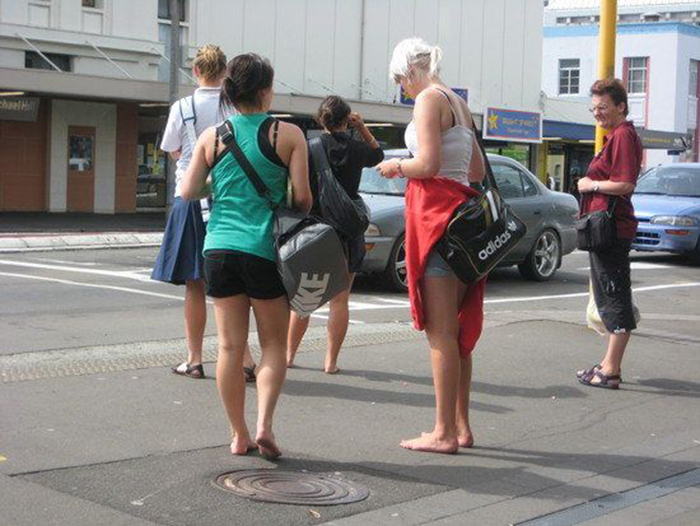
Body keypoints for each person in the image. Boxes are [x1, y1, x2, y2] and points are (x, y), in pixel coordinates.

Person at [181, 53, 312, 458]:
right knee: (273, 344)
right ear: (266, 90)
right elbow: (304, 200)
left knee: (228, 348)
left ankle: (238, 435)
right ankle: (264, 425)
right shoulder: (287, 135)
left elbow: (187, 191)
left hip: (219, 248)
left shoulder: (212, 137)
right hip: (263, 251)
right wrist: (279, 195)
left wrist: (219, 192)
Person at [376, 38, 486, 454]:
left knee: (440, 333)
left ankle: (442, 433)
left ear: (409, 72)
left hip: (437, 221)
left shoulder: (427, 101)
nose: (402, 90)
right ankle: (461, 426)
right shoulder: (458, 103)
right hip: (464, 225)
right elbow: (473, 169)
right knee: (457, 333)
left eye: (400, 81)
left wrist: (396, 166)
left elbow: (428, 166)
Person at [152, 45, 257, 381]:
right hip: (229, 197)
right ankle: (246, 360)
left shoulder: (182, 107)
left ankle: (194, 359)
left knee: (195, 284)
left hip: (189, 196)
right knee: (233, 284)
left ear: (196, 72)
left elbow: (173, 150)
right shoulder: (234, 108)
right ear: (225, 72)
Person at [286, 96, 384, 373]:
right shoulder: (356, 148)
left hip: (316, 231)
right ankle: (330, 361)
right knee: (340, 299)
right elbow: (377, 155)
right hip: (349, 230)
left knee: (305, 297)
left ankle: (289, 356)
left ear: (321, 120)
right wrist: (363, 127)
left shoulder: (309, 148)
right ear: (346, 120)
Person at [576, 78, 642, 390]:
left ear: (620, 106)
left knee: (615, 296)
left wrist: (592, 184)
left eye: (603, 107)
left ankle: (612, 369)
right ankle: (607, 363)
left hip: (612, 229)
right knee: (608, 293)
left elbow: (626, 183)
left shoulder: (624, 136)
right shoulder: (614, 136)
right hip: (605, 228)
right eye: (594, 108)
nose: (597, 113)